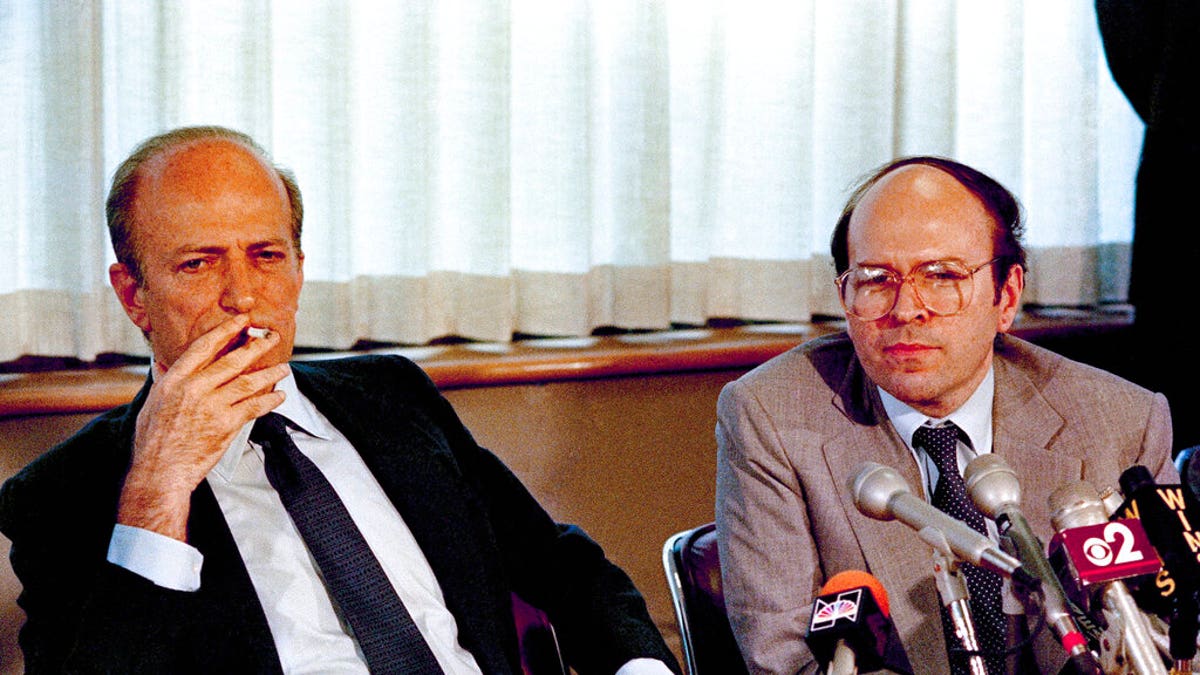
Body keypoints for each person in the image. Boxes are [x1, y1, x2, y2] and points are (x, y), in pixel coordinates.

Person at [0, 126, 679, 674]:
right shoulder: (64, 493)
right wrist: (160, 485)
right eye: (197, 263)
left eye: (266, 255)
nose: (241, 296)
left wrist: (637, 666)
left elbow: (560, 561)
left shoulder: (392, 395)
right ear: (133, 295)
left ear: (299, 268)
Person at [714, 156, 1177, 675]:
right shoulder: (771, 416)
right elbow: (786, 662)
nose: (906, 308)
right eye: (875, 279)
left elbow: (1175, 640)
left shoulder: (1121, 422)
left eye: (941, 276)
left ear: (1007, 296)